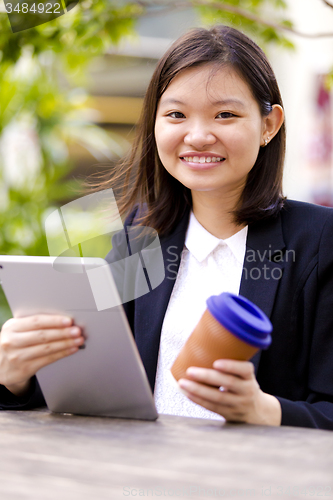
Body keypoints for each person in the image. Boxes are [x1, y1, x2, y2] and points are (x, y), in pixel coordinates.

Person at [1, 25, 333, 429]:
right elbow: (96, 388)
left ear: (269, 125)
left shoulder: (319, 240)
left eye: (224, 114)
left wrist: (264, 411)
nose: (197, 136)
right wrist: (15, 377)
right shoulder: (139, 236)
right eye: (176, 114)